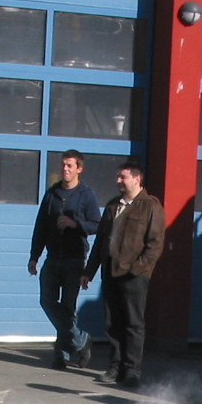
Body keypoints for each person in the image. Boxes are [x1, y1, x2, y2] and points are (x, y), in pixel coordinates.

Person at [81, 160, 164, 388]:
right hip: (111, 273)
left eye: (123, 177)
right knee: (113, 323)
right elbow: (100, 243)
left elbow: (155, 244)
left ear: (137, 179)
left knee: (133, 324)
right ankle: (115, 367)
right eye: (118, 176)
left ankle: (132, 370)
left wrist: (138, 268)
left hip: (134, 276)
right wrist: (89, 271)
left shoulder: (150, 206)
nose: (118, 180)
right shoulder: (112, 206)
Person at [30, 150, 103, 369]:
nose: (65, 169)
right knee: (48, 302)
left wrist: (76, 225)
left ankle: (61, 355)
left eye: (70, 165)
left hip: (74, 259)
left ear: (79, 168)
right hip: (52, 259)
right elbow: (40, 226)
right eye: (63, 165)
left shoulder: (86, 195)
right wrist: (34, 256)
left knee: (68, 308)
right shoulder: (52, 194)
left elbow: (98, 225)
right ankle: (81, 339)